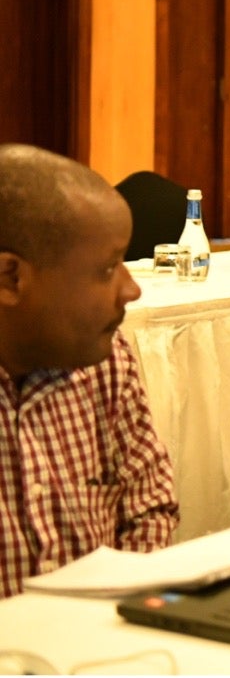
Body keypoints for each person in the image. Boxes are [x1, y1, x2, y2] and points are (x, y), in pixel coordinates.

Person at [0, 144, 178, 598]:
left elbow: (151, 506)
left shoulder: (104, 357)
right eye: (106, 269)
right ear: (10, 278)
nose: (131, 288)